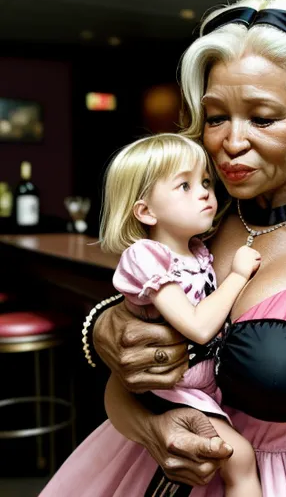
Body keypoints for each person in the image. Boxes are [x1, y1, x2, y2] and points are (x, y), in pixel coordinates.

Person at [59, 0, 286, 497]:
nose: (232, 142)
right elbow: (127, 375)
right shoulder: (194, 225)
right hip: (148, 472)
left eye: (263, 118)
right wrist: (151, 426)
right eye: (216, 116)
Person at [40, 133, 263, 497]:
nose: (205, 192)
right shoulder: (147, 257)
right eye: (185, 185)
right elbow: (198, 326)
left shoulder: (198, 251)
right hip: (170, 388)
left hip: (203, 389)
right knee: (239, 458)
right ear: (146, 211)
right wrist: (238, 275)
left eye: (205, 182)